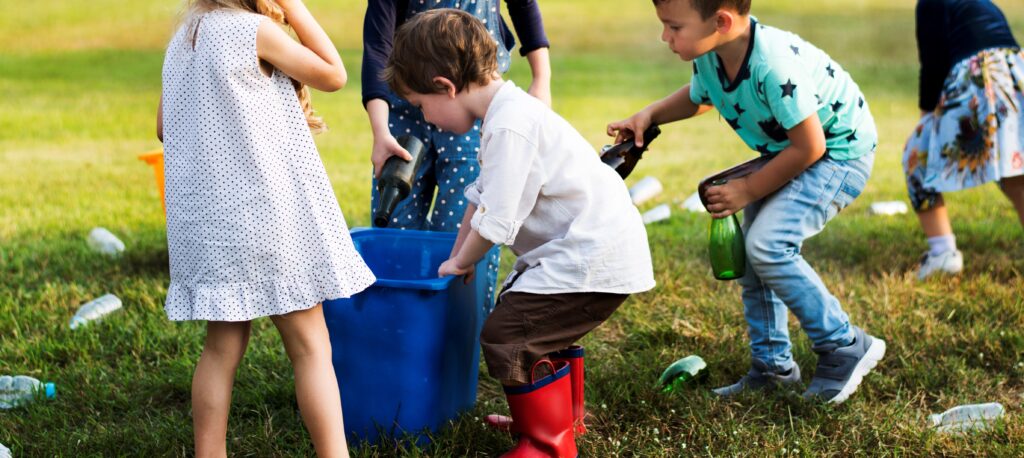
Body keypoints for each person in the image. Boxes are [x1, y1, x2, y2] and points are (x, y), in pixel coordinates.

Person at [383, 9, 655, 456]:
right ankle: (556, 422)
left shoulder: (510, 125)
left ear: (445, 86)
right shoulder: (505, 114)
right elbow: (479, 197)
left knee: (508, 335)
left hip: (592, 255)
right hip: (586, 251)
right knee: (537, 329)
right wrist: (457, 257)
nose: (427, 119)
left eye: (421, 106)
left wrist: (464, 260)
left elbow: (497, 219)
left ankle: (547, 444)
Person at [608, 0, 885, 404]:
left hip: (838, 154)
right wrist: (650, 115)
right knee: (755, 256)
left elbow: (811, 146)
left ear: (721, 22)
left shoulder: (773, 65)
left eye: (674, 27)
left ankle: (844, 345)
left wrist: (748, 189)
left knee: (768, 245)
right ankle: (772, 367)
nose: (664, 37)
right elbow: (702, 95)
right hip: (791, 151)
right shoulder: (713, 54)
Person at [157, 1, 375, 455]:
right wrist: (294, 7)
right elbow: (334, 74)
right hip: (267, 221)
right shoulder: (254, 31)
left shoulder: (184, 39)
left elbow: (163, 125)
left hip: (212, 227)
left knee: (221, 348)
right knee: (310, 346)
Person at [362, 0, 552, 309]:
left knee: (460, 235)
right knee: (396, 229)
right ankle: (403, 321)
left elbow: (489, 214)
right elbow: (377, 43)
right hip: (401, 107)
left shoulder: (501, 127)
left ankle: (460, 324)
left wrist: (541, 78)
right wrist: (381, 130)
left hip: (468, 106)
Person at [904, 0, 1024, 280]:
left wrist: (925, 118)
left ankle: (942, 252)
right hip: (1014, 74)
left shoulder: (929, 4)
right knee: (1016, 170)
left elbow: (933, 66)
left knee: (915, 155)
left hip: (980, 78)